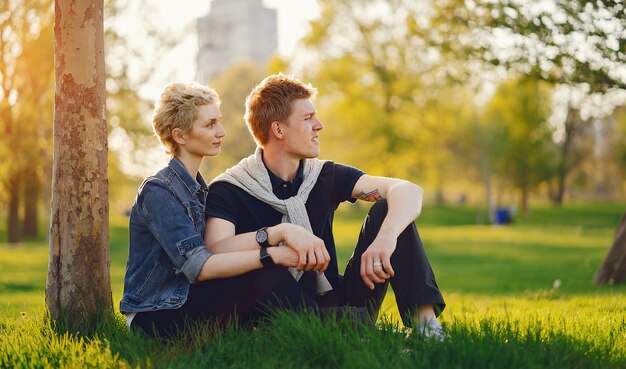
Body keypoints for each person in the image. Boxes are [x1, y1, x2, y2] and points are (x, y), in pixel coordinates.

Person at [205, 74, 446, 338]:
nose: (318, 126)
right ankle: (361, 331)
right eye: (308, 119)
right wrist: (279, 234)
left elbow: (407, 191)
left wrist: (385, 239)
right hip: (278, 308)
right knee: (265, 271)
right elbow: (216, 249)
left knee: (389, 209)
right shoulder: (230, 186)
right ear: (278, 130)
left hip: (335, 297)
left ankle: (428, 330)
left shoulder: (322, 175)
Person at [120, 82, 317, 338]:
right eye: (210, 124)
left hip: (189, 300)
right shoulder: (158, 191)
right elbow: (198, 266)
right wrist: (273, 255)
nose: (221, 131)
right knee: (264, 274)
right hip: (156, 315)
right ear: (180, 136)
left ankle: (329, 325)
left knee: (263, 288)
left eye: (219, 122)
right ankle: (337, 329)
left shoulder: (201, 190)